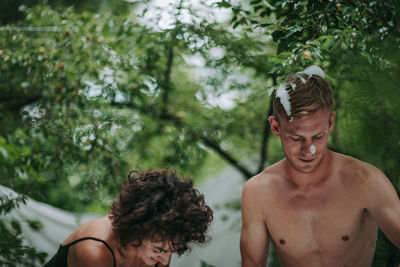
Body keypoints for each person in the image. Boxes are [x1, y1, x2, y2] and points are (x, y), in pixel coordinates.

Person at [240, 66, 400, 266]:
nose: (309, 150)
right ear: (276, 127)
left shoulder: (365, 180)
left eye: (318, 136)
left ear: (331, 122)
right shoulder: (258, 192)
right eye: (296, 138)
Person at [44, 168, 213, 267]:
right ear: (137, 230)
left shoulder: (162, 240)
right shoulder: (94, 250)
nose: (165, 260)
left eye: (172, 250)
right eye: (158, 249)